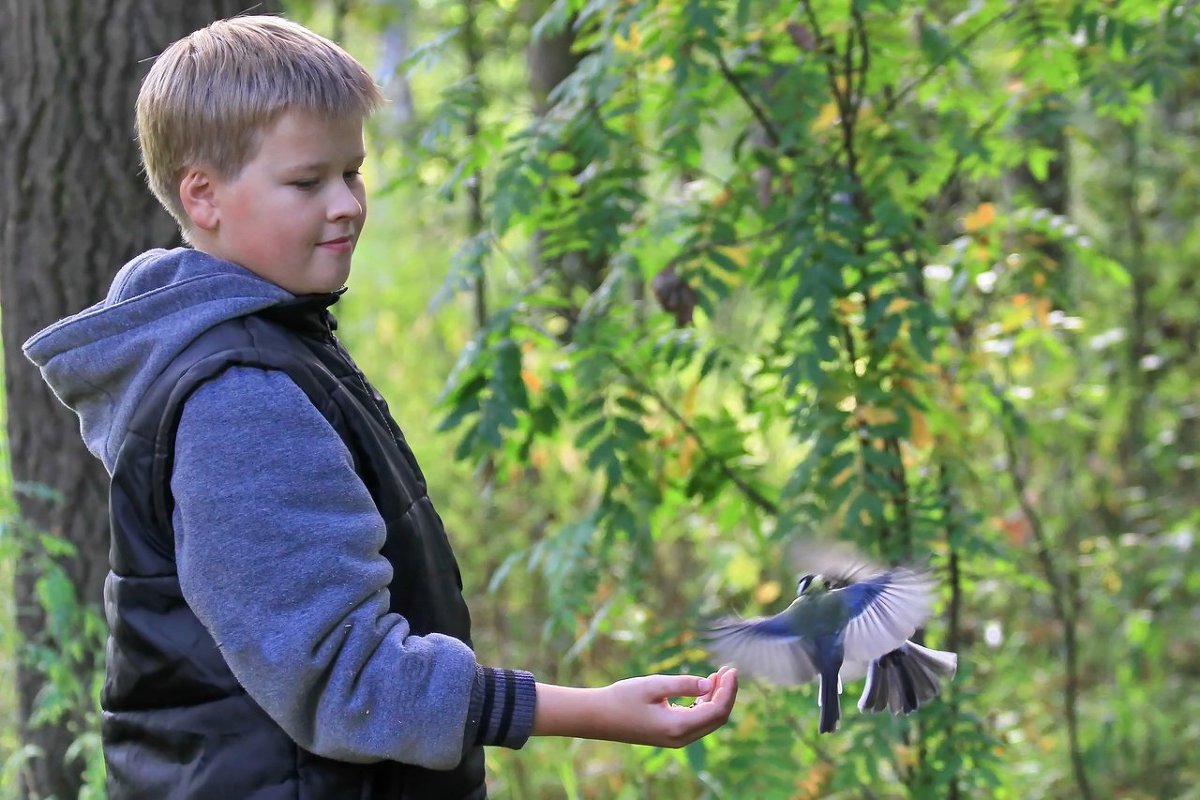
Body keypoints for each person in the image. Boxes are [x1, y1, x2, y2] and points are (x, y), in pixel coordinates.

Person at [23, 14, 736, 800]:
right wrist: (586, 710)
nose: (348, 204)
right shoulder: (238, 396)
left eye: (352, 173)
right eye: (307, 181)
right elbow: (345, 679)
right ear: (203, 196)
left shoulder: (270, 340)